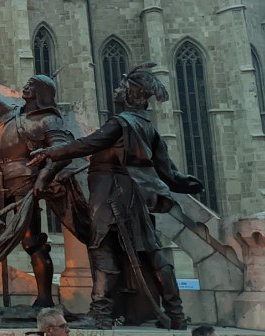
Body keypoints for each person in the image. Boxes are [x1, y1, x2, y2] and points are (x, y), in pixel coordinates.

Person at [29, 64, 204, 330]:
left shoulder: (120, 123)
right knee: (151, 253)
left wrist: (50, 153)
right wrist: (187, 184)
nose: (116, 91)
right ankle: (176, 313)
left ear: (133, 94)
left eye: (122, 88)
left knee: (103, 250)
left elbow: (88, 144)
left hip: (110, 195)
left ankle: (101, 315)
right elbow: (168, 171)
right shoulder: (148, 127)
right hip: (133, 195)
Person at [0, 75, 85, 307]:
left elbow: (60, 151)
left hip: (26, 185)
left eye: (32, 85)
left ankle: (44, 300)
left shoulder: (49, 120)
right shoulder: (12, 113)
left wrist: (43, 176)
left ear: (41, 92)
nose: (26, 86)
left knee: (32, 242)